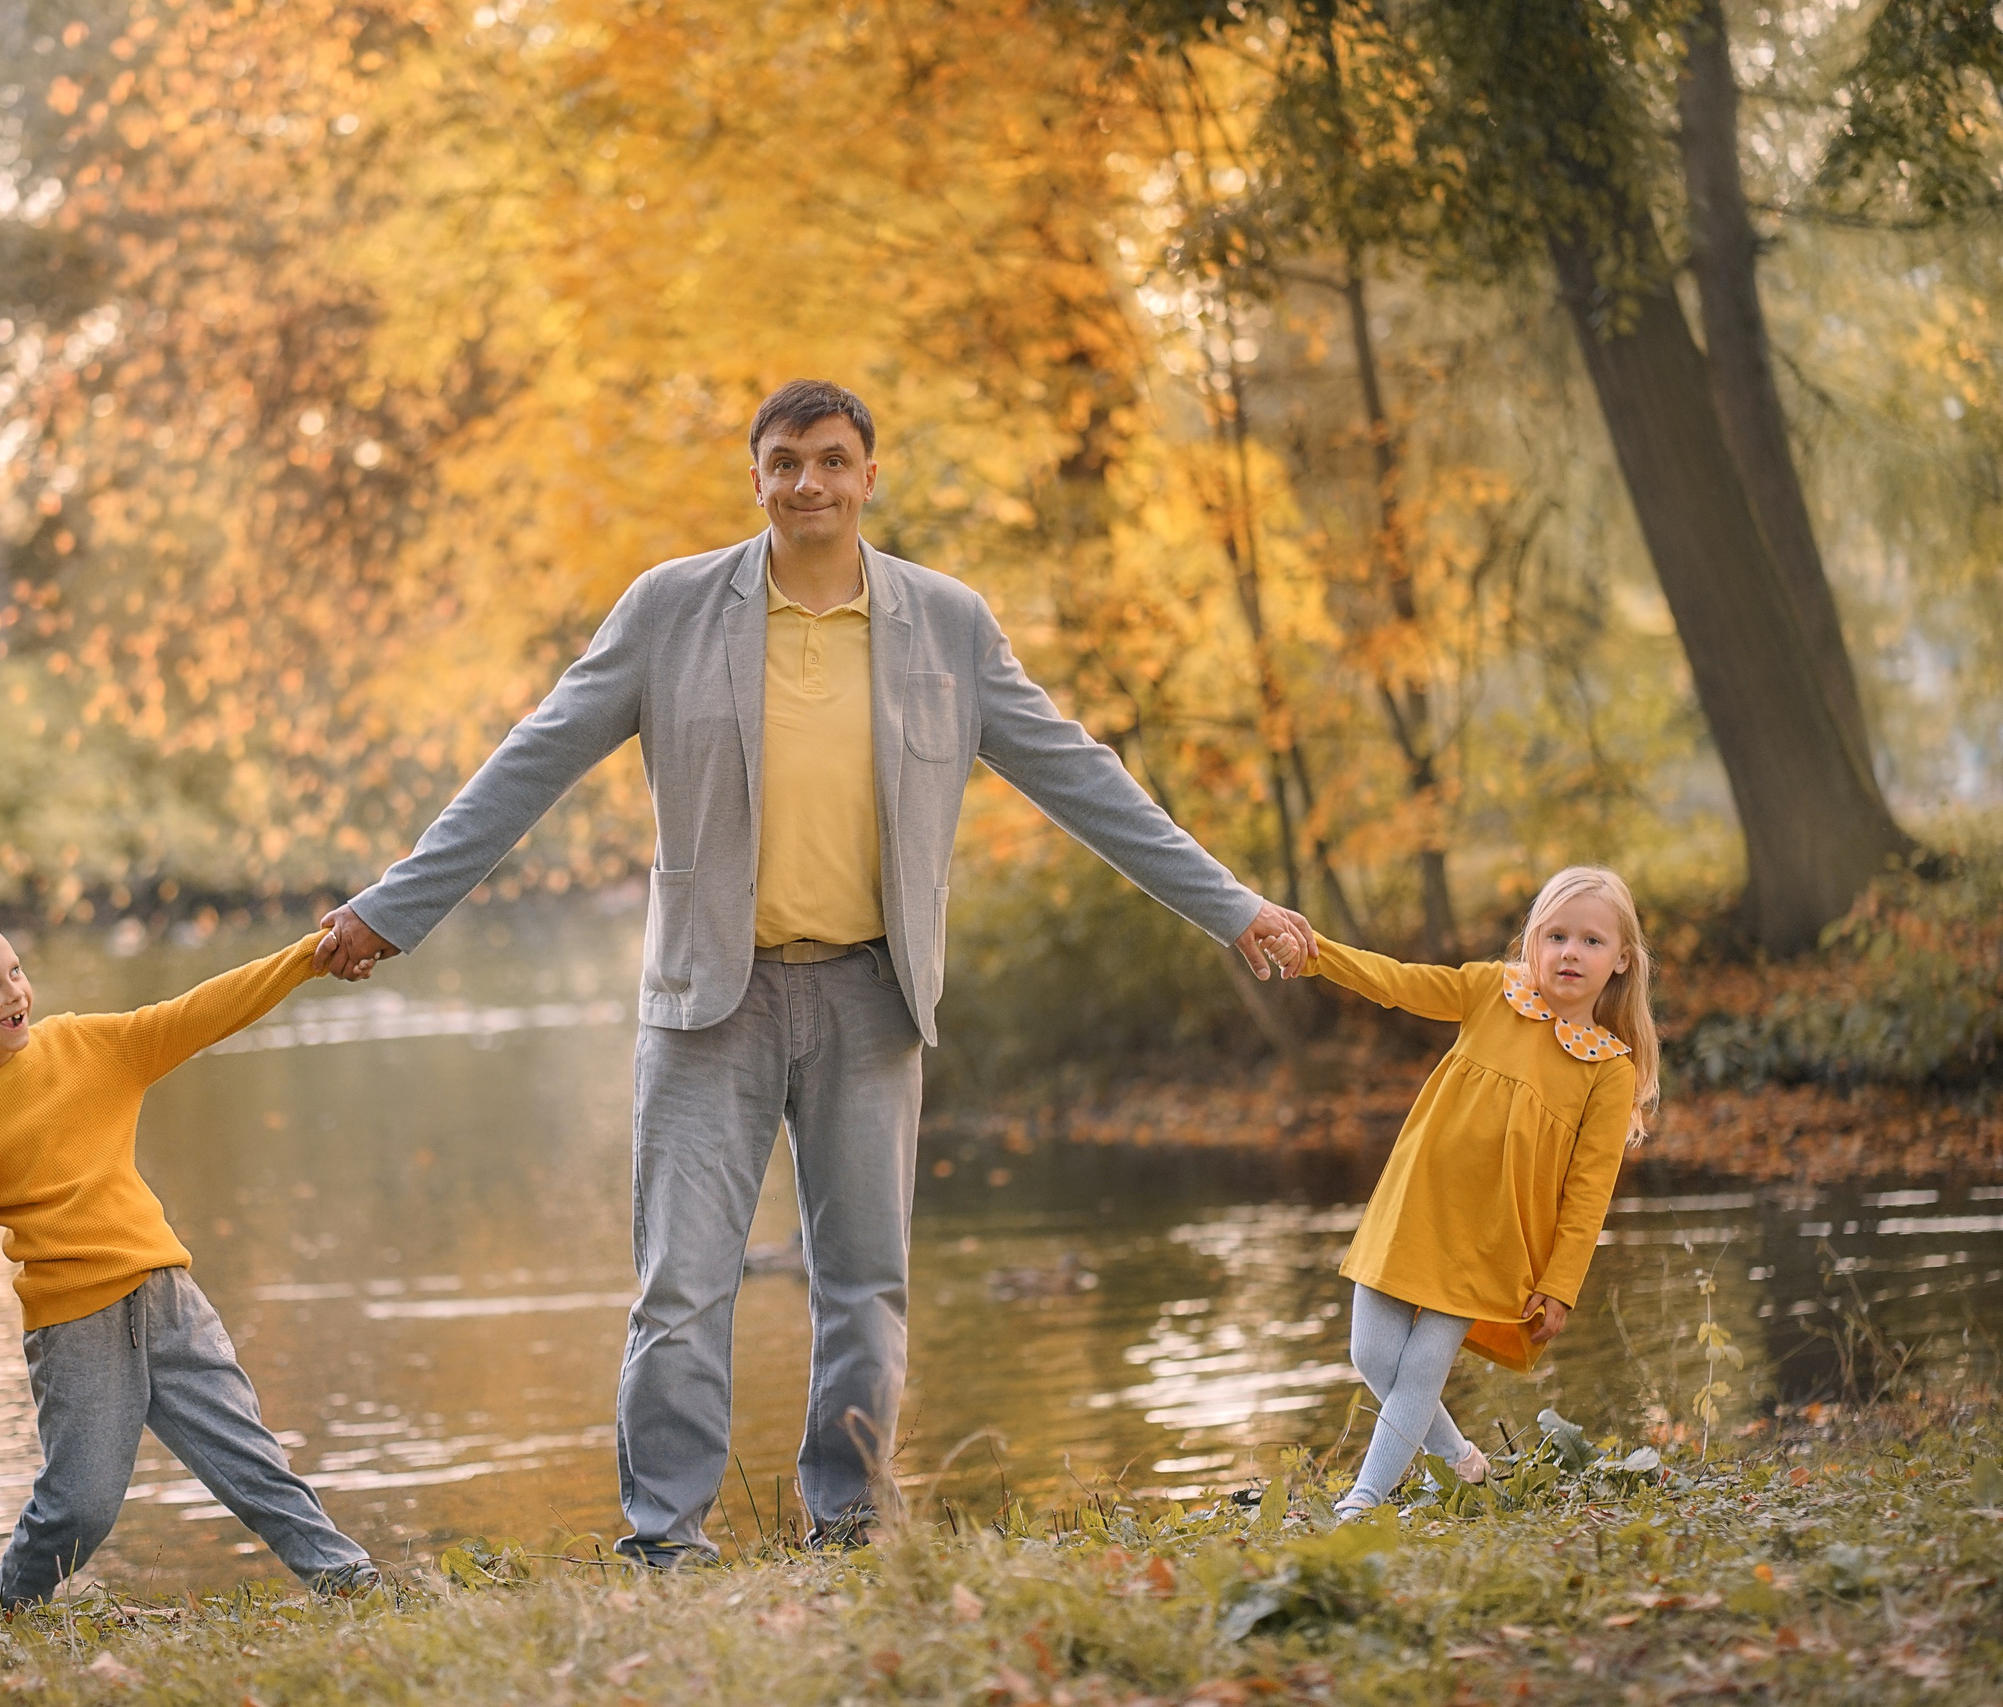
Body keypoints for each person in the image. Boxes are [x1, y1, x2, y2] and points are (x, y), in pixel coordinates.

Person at [311, 379, 1315, 1564]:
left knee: (864, 1285)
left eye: (832, 461)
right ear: (755, 478)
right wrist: (394, 907)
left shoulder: (946, 625)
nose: (809, 485)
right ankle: (665, 1544)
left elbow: (1081, 778)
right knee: (680, 1288)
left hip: (871, 997)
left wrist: (1230, 905)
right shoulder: (669, 612)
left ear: (868, 476)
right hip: (706, 1004)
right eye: (784, 462)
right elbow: (527, 763)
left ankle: (845, 1526)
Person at [0, 908, 376, 1606]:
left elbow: (200, 1012)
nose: (16, 991)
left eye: (16, 971)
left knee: (252, 1459)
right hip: (75, 1330)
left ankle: (350, 1581)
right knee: (77, 1510)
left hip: (168, 1298)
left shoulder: (90, 1045)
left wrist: (306, 956)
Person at [1292, 866, 1660, 1520]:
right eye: (1557, 935)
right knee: (1371, 1352)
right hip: (1416, 1200)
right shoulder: (1494, 991)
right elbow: (1399, 981)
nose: (1571, 952)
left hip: (1493, 1237)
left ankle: (1363, 1500)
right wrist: (1319, 952)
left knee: (1425, 1363)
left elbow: (1588, 1190)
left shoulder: (1608, 1069)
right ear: (1533, 942)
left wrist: (1561, 1281)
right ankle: (1460, 1459)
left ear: (1623, 960)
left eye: (1592, 941)